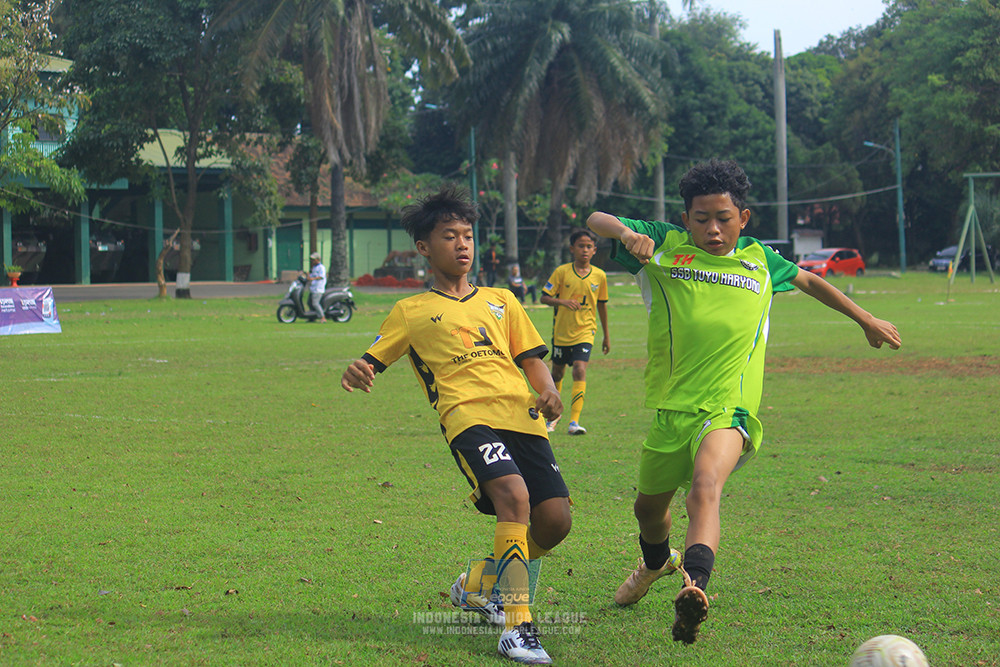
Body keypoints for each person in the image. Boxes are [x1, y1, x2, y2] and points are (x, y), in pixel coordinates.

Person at [587, 159, 901, 645]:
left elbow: (812, 282)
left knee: (705, 484)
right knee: (648, 511)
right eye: (701, 219)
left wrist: (864, 318)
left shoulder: (759, 259)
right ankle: (657, 564)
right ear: (685, 217)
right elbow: (595, 220)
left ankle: (695, 588)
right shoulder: (664, 246)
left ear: (744, 218)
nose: (713, 229)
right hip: (672, 410)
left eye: (724, 218)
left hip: (728, 409)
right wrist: (627, 236)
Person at [341, 184, 572, 665]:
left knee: (555, 522)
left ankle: (478, 585)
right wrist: (358, 369)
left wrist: (548, 391)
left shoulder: (503, 299)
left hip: (523, 417)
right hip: (467, 417)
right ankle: (517, 626)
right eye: (450, 236)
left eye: (467, 235)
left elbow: (531, 360)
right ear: (424, 247)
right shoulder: (411, 311)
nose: (462, 244)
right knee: (514, 496)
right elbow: (371, 358)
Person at [539, 229, 609, 436]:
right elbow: (544, 297)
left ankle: (574, 422)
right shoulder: (562, 272)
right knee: (557, 373)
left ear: (595, 250)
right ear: (572, 249)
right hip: (562, 333)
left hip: (586, 332)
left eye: (589, 246)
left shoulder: (599, 276)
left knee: (579, 369)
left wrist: (606, 335)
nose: (585, 250)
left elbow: (602, 306)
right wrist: (562, 301)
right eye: (581, 246)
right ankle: (553, 416)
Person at [304, 252, 327, 322]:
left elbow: (321, 276)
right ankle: (312, 317)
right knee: (309, 302)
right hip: (313, 288)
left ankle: (323, 317)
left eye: (313, 260)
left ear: (317, 260)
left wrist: (312, 279)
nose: (312, 261)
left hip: (318, 289)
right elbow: (311, 276)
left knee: (315, 303)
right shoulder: (314, 268)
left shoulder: (321, 267)